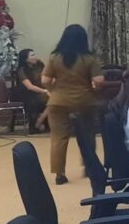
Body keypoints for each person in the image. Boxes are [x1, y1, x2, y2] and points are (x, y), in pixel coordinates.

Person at [41, 25, 104, 185]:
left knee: (58, 137)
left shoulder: (54, 57)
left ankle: (59, 174)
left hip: (58, 102)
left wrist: (53, 90)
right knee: (88, 135)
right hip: (84, 101)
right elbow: (99, 81)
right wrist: (93, 90)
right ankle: (89, 167)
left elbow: (45, 80)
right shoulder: (89, 59)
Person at [15, 48, 49, 134]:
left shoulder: (39, 65)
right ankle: (38, 123)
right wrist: (45, 91)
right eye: (32, 55)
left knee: (54, 98)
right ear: (25, 59)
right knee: (50, 99)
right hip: (27, 94)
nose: (35, 57)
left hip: (41, 91)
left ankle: (40, 121)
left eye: (35, 54)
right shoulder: (22, 70)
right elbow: (29, 87)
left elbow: (46, 78)